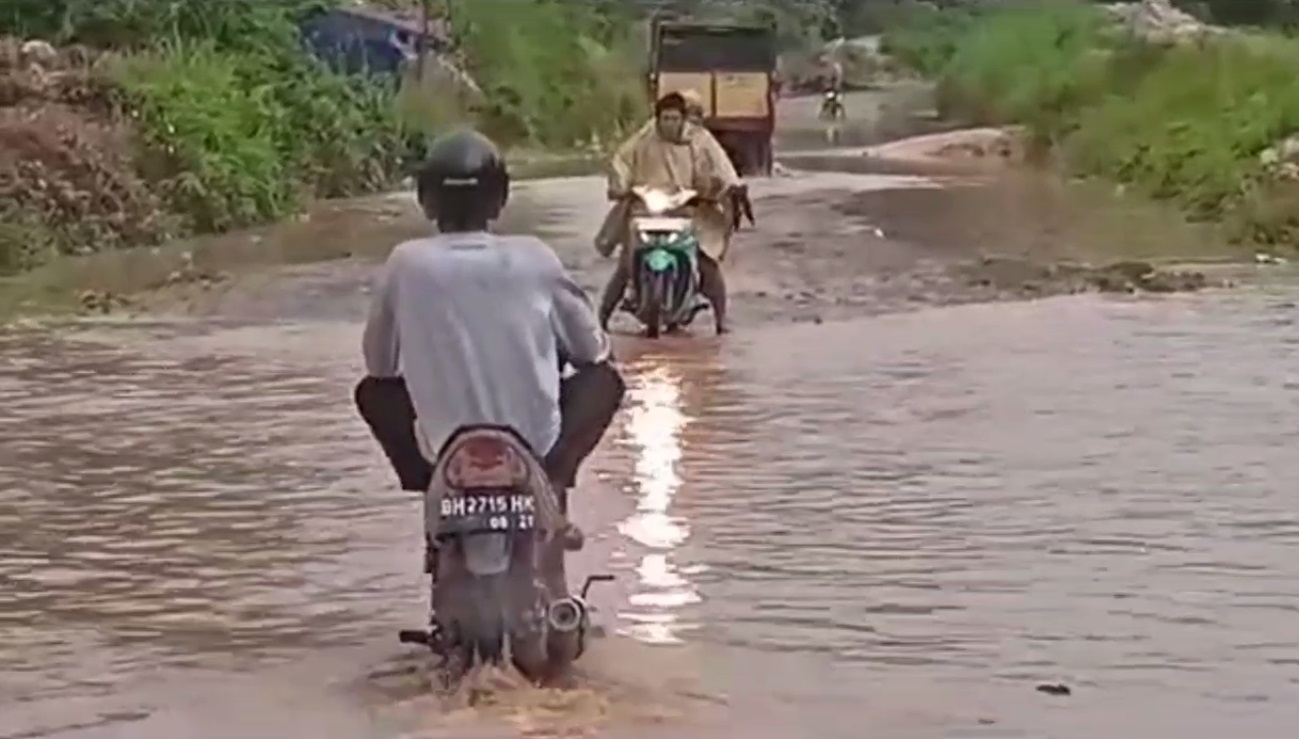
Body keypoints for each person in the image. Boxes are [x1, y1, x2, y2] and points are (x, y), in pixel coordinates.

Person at [353, 129, 626, 583]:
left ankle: (431, 491)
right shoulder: (535, 256)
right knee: (605, 380)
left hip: (440, 449)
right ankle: (554, 486)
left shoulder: (405, 263)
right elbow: (592, 352)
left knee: (372, 393)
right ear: (499, 199)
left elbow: (378, 368)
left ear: (426, 200)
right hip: (538, 448)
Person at [595, 92, 741, 334]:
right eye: (665, 118)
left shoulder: (700, 140)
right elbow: (621, 161)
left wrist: (730, 186)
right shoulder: (643, 139)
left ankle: (721, 320)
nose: (669, 124)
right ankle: (601, 319)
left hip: (689, 210)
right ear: (657, 118)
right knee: (627, 262)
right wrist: (620, 186)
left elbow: (722, 166)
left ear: (683, 119)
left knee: (707, 264)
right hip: (647, 211)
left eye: (674, 119)